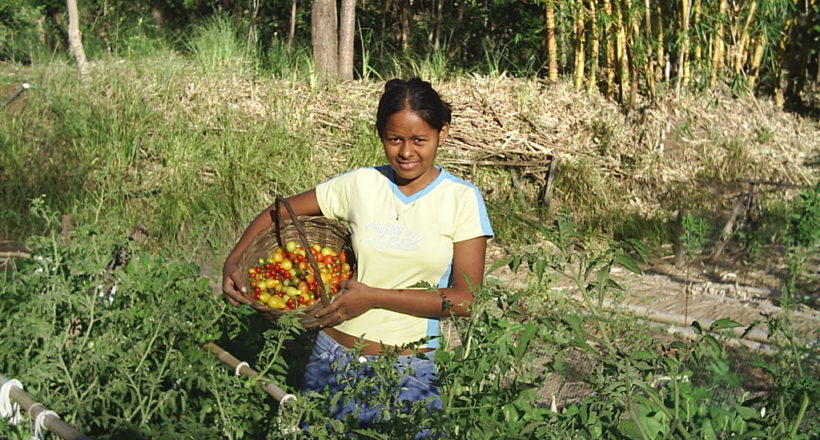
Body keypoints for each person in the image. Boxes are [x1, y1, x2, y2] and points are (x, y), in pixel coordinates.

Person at [221, 77, 494, 429]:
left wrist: (373, 297)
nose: (406, 152)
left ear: (443, 134)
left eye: (419, 140)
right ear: (381, 135)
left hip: (408, 371)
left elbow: (464, 300)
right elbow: (280, 211)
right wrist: (233, 260)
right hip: (331, 359)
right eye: (394, 139)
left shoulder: (462, 200)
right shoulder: (362, 184)